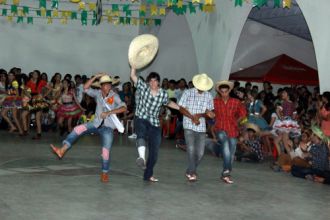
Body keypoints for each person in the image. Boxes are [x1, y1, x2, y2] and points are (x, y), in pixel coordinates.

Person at [50, 73, 127, 183]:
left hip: (108, 128)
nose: (107, 87)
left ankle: (105, 173)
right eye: (105, 85)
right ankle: (62, 150)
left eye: (109, 84)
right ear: (101, 86)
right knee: (77, 129)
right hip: (95, 124)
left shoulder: (114, 96)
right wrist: (95, 77)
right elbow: (85, 88)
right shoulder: (98, 94)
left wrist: (109, 112)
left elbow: (124, 108)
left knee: (105, 152)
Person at [130, 68, 194, 182]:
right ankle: (142, 158)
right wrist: (134, 67)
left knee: (154, 153)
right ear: (148, 82)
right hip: (142, 118)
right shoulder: (143, 88)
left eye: (155, 81)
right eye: (151, 81)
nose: (153, 83)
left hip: (154, 123)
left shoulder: (163, 93)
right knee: (141, 134)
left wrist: (180, 107)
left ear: (158, 82)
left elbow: (169, 103)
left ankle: (148, 175)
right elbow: (133, 77)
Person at [178, 73, 215, 181]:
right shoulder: (188, 93)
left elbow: (209, 112)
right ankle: (192, 173)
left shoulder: (208, 95)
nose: (202, 89)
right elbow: (181, 108)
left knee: (200, 153)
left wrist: (205, 114)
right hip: (189, 125)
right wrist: (192, 117)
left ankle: (190, 170)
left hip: (201, 127)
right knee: (191, 148)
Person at [213, 80, 247, 184]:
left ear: (229, 91)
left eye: (225, 91)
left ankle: (225, 172)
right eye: (222, 92)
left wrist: (237, 122)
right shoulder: (215, 102)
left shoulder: (236, 102)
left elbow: (243, 113)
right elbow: (208, 112)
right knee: (225, 145)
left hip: (233, 129)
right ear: (219, 92)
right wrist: (209, 114)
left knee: (231, 153)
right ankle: (227, 172)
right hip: (220, 128)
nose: (224, 94)